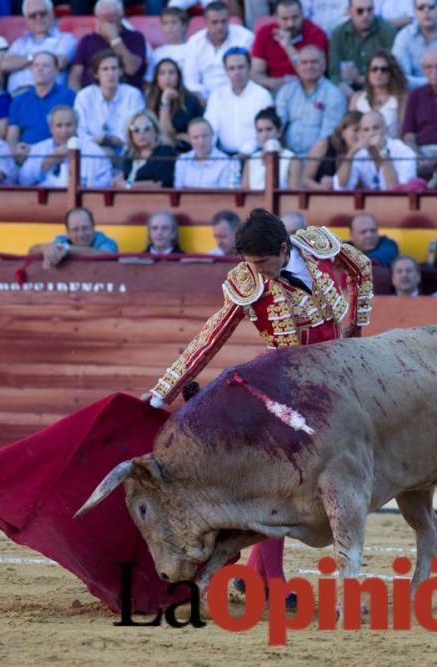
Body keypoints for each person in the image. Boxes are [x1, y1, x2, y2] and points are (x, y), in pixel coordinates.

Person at [141, 209, 374, 601]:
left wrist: (356, 325)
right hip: (286, 390)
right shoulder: (247, 283)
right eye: (250, 264)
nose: (258, 272)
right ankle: (273, 585)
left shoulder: (317, 248)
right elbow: (209, 338)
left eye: (264, 263)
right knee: (278, 488)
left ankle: (253, 580)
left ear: (284, 250)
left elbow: (361, 267)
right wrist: (162, 392)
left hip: (338, 379)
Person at [275, 45, 347, 156]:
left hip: (320, 159)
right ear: (297, 66)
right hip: (287, 156)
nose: (309, 66)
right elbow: (278, 126)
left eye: (314, 62)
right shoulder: (286, 91)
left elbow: (328, 135)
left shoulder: (334, 94)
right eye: (304, 62)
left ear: (324, 66)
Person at [18, 105, 113, 189]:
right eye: (59, 126)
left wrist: (86, 186)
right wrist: (50, 160)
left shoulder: (93, 151)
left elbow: (107, 180)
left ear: (77, 126)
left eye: (68, 125)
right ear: (51, 128)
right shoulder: (39, 149)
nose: (64, 131)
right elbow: (23, 180)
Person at [6, 52, 77, 164]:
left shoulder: (69, 97)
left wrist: (34, 150)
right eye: (36, 65)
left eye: (45, 66)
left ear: (56, 71)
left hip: (59, 156)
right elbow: (12, 137)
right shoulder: (19, 100)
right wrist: (15, 151)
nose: (40, 69)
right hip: (25, 159)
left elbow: (74, 132)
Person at [202, 47, 272, 156]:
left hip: (255, 155)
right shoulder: (217, 95)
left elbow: (266, 130)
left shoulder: (262, 95)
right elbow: (211, 126)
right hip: (222, 156)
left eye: (241, 67)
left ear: (249, 67)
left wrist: (245, 152)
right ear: (226, 70)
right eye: (232, 68)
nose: (237, 72)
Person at [74, 50, 145, 156]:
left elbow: (137, 127)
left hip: (126, 152)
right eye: (105, 69)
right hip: (91, 152)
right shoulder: (84, 96)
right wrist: (96, 142)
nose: (110, 73)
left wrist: (116, 140)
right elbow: (79, 130)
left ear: (120, 71)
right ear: (96, 74)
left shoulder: (133, 95)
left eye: (114, 68)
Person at [181, 1, 254, 101]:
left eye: (223, 21)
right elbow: (190, 80)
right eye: (215, 22)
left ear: (229, 20)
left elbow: (249, 74)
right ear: (206, 22)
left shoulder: (245, 37)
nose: (219, 26)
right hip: (203, 99)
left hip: (238, 94)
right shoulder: (195, 41)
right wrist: (204, 98)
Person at [251, 0, 329, 92]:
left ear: (302, 15)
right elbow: (256, 73)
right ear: (275, 18)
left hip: (308, 88)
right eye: (285, 19)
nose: (290, 23)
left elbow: (312, 73)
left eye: (295, 17)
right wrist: (271, 82)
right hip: (275, 88)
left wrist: (288, 47)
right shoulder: (264, 33)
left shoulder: (316, 34)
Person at [1, 0, 76, 95]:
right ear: (27, 20)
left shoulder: (65, 38)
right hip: (16, 94)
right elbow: (5, 65)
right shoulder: (20, 43)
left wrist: (22, 63)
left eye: (43, 13)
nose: (38, 18)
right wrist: (36, 59)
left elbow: (60, 62)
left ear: (52, 14)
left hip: (49, 94)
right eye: (33, 16)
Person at [69, 0, 146, 92]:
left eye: (109, 19)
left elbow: (131, 69)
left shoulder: (135, 37)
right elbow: (75, 76)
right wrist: (78, 97)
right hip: (91, 95)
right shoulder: (87, 40)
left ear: (121, 17)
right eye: (101, 18)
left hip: (125, 96)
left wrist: (114, 39)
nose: (105, 23)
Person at [328, 0, 396, 97]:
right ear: (349, 12)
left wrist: (360, 79)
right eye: (360, 11)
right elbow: (334, 75)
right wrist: (354, 97)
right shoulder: (339, 34)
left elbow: (394, 72)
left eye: (370, 10)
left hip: (382, 90)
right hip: (348, 92)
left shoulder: (387, 31)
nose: (365, 15)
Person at [336, 110, 417, 190]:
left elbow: (396, 191)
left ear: (386, 130)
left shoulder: (404, 152)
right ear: (361, 133)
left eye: (376, 128)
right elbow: (341, 185)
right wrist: (351, 153)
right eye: (366, 130)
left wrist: (383, 152)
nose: (371, 133)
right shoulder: (359, 153)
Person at [27, 207, 118, 270]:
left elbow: (107, 256)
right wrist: (45, 248)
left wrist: (68, 249)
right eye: (75, 230)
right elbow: (31, 251)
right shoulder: (62, 241)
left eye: (85, 228)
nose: (81, 234)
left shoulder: (107, 242)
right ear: (68, 232)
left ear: (93, 227)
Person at [146, 58, 203, 153]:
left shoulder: (191, 101)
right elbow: (162, 133)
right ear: (157, 78)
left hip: (186, 151)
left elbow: (195, 135)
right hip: (158, 151)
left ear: (178, 77)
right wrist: (165, 101)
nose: (167, 77)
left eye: (171, 73)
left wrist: (173, 136)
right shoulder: (150, 100)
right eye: (162, 73)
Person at [349, 50, 408, 139]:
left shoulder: (401, 98)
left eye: (384, 70)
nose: (378, 73)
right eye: (374, 69)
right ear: (368, 73)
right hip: (361, 148)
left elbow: (403, 133)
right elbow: (350, 130)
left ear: (391, 73)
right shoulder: (356, 98)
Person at [113, 109, 177, 189]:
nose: (141, 133)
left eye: (147, 128)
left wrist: (127, 186)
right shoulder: (129, 154)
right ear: (130, 134)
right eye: (136, 129)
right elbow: (121, 180)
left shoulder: (165, 151)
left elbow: (158, 184)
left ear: (155, 130)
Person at [242, 106, 302, 189]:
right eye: (260, 130)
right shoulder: (251, 160)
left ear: (279, 132)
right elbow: (245, 192)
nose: (265, 135)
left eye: (269, 129)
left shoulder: (292, 159)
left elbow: (294, 196)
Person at [303, 109, 362, 191]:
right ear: (343, 130)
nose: (359, 135)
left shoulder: (363, 152)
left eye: (362, 130)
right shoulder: (324, 145)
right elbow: (304, 179)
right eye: (355, 130)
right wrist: (321, 188)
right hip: (320, 197)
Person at [173, 118, 237, 189]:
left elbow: (226, 195)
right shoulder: (182, 160)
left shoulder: (227, 162)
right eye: (195, 137)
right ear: (189, 139)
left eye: (204, 136)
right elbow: (178, 192)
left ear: (212, 136)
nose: (201, 141)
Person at [144, 7, 189, 83]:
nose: (169, 27)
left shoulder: (194, 49)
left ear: (184, 26)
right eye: (165, 23)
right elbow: (149, 79)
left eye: (174, 22)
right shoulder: (157, 53)